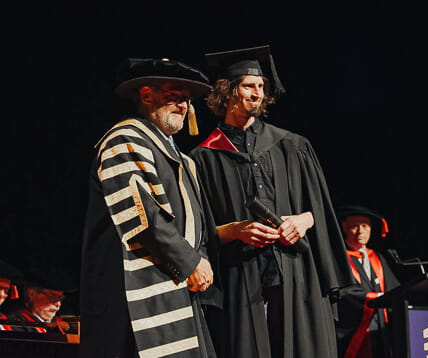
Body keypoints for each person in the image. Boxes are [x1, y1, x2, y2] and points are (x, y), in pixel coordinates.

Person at [188, 45, 355, 358]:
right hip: (240, 279)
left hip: (296, 274)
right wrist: (234, 230)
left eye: (261, 87)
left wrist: (303, 220)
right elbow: (196, 232)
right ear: (227, 91)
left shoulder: (293, 146)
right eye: (249, 86)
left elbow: (320, 210)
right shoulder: (203, 159)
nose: (258, 93)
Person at [80, 58, 217, 358]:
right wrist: (191, 262)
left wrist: (201, 259)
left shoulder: (183, 158)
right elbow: (143, 218)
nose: (182, 105)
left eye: (186, 99)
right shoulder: (125, 139)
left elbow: (195, 224)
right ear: (146, 96)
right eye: (172, 95)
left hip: (175, 280)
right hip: (133, 288)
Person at [334, 205, 400, 358]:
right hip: (352, 330)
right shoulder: (338, 258)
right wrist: (372, 298)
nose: (360, 231)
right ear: (344, 227)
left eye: (365, 226)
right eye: (354, 226)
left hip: (380, 329)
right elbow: (339, 291)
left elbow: (394, 289)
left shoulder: (377, 258)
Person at [5, 265, 76, 333]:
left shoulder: (62, 324)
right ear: (32, 293)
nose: (58, 304)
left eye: (60, 298)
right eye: (52, 296)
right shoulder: (16, 323)